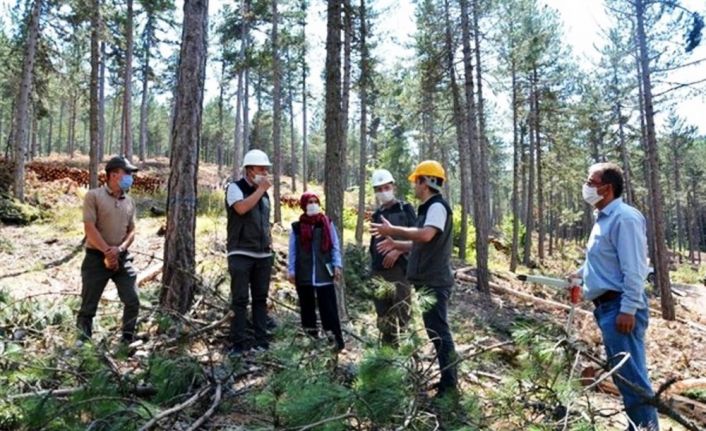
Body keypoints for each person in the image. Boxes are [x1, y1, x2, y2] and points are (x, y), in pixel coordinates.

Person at [570, 162, 659, 430]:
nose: (586, 187)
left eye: (590, 182)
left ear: (607, 188)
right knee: (625, 379)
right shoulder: (603, 219)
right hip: (607, 308)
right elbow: (603, 263)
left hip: (620, 307)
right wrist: (578, 276)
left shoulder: (625, 218)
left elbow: (635, 268)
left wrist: (629, 308)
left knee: (633, 381)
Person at [370, 160, 458, 396]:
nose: (414, 186)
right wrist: (396, 243)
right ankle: (446, 381)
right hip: (428, 280)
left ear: (426, 182)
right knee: (434, 331)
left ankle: (450, 385)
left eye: (416, 181)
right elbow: (420, 244)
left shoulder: (437, 207)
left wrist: (393, 231)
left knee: (440, 332)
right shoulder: (429, 208)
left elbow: (427, 235)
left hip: (435, 280)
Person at [77, 156, 140, 344]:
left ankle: (127, 340)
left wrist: (119, 250)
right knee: (88, 304)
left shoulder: (130, 202)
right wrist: (106, 251)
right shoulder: (94, 196)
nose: (130, 177)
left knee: (133, 300)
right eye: (126, 173)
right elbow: (89, 227)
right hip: (96, 257)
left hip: (122, 257)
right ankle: (83, 344)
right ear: (113, 175)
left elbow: (132, 230)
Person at [225, 149, 274, 355]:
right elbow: (241, 209)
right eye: (260, 168)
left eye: (266, 169)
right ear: (249, 170)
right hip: (241, 253)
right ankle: (238, 344)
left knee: (260, 300)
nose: (264, 172)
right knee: (240, 300)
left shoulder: (265, 196)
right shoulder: (234, 188)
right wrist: (260, 191)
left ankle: (261, 342)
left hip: (263, 254)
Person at [287, 191, 345, 351]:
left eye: (315, 201)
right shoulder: (297, 227)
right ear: (303, 205)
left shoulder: (326, 223)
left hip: (324, 273)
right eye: (309, 202)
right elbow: (292, 250)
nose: (312, 204)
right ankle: (311, 342)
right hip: (304, 274)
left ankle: (335, 342)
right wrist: (291, 270)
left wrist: (337, 265)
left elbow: (334, 246)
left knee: (329, 309)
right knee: (307, 310)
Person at [369, 169, 417, 345]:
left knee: (403, 314)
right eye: (379, 189)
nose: (383, 192)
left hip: (399, 271)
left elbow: (417, 237)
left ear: (393, 187)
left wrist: (398, 250)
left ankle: (407, 357)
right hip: (378, 271)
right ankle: (387, 357)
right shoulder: (376, 214)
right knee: (383, 318)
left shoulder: (406, 209)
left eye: (386, 187)